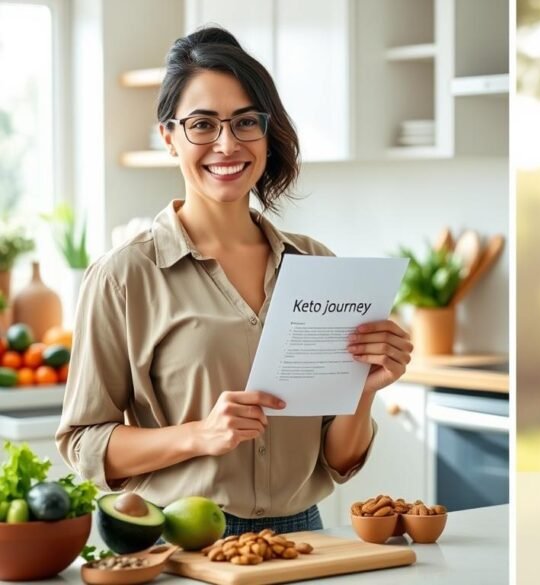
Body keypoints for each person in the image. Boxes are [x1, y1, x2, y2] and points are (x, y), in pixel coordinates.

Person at [56, 27, 413, 534]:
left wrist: (365, 389)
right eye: (202, 124)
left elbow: (337, 459)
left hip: (304, 536)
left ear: (267, 134)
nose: (227, 143)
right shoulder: (124, 277)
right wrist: (200, 436)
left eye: (246, 121)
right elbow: (83, 443)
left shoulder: (317, 265)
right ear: (169, 137)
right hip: (183, 540)